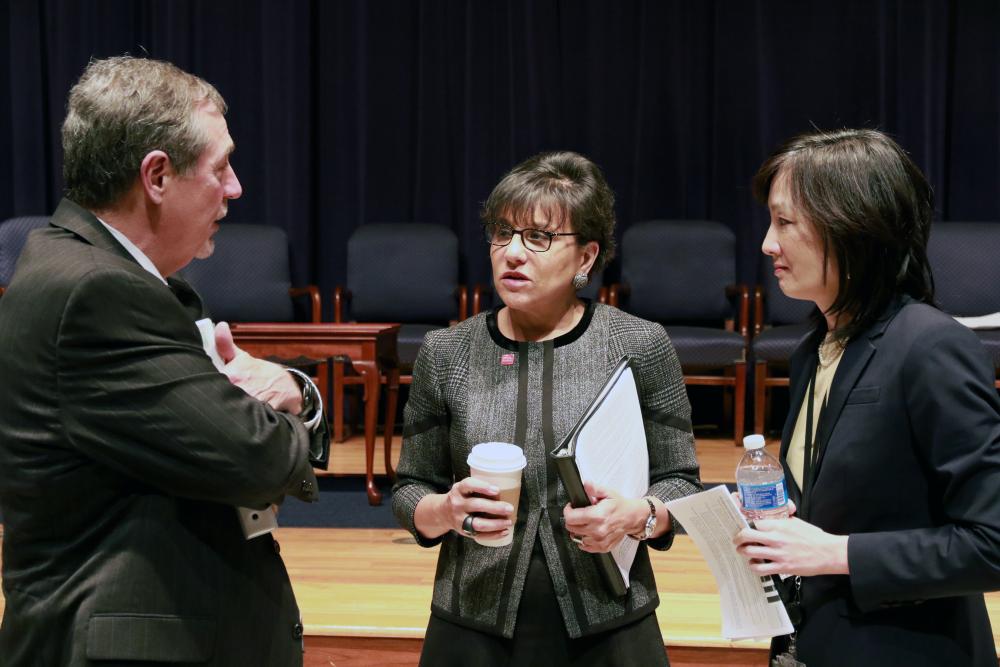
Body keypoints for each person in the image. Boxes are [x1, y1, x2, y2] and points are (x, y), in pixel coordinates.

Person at [0, 56, 328, 666]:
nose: (236, 188)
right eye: (221, 166)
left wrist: (289, 391)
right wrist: (282, 404)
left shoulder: (90, 268)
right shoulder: (98, 291)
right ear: (156, 176)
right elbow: (257, 459)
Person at [392, 151, 702, 666]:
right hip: (472, 622)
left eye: (538, 237)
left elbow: (682, 484)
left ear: (585, 258)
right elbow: (408, 489)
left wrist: (638, 517)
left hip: (609, 618)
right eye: (502, 233)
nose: (512, 252)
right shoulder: (446, 352)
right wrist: (445, 511)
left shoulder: (638, 345)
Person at [735, 128, 1000, 665]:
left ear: (853, 229)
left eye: (785, 222)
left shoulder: (930, 345)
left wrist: (837, 553)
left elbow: (991, 542)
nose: (767, 243)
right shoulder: (815, 347)